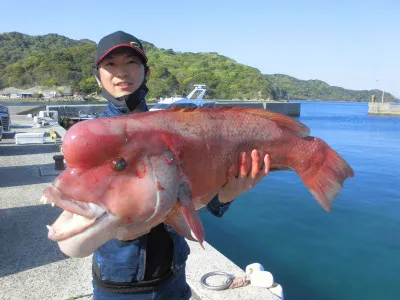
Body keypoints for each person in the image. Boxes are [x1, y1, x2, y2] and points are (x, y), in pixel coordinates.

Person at [92, 30, 271, 300]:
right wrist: (118, 227)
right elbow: (83, 211)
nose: (122, 72)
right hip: (120, 285)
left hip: (174, 279)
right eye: (110, 65)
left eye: (131, 63)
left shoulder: (175, 131)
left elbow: (193, 194)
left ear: (147, 73)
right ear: (98, 77)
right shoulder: (89, 138)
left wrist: (225, 196)